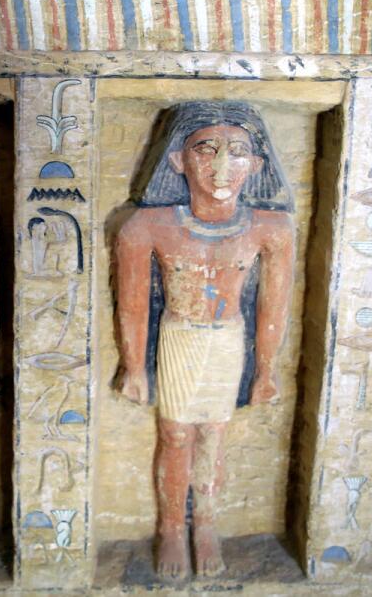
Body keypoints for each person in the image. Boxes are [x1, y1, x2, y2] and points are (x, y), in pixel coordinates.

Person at [113, 101, 295, 580]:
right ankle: (172, 528)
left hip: (227, 340)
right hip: (179, 338)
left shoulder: (270, 228)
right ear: (178, 160)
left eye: (236, 153)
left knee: (214, 437)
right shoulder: (146, 226)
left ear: (255, 166)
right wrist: (134, 368)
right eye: (206, 150)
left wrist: (266, 370)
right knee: (175, 435)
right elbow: (131, 306)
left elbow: (272, 307)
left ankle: (207, 526)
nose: (220, 167)